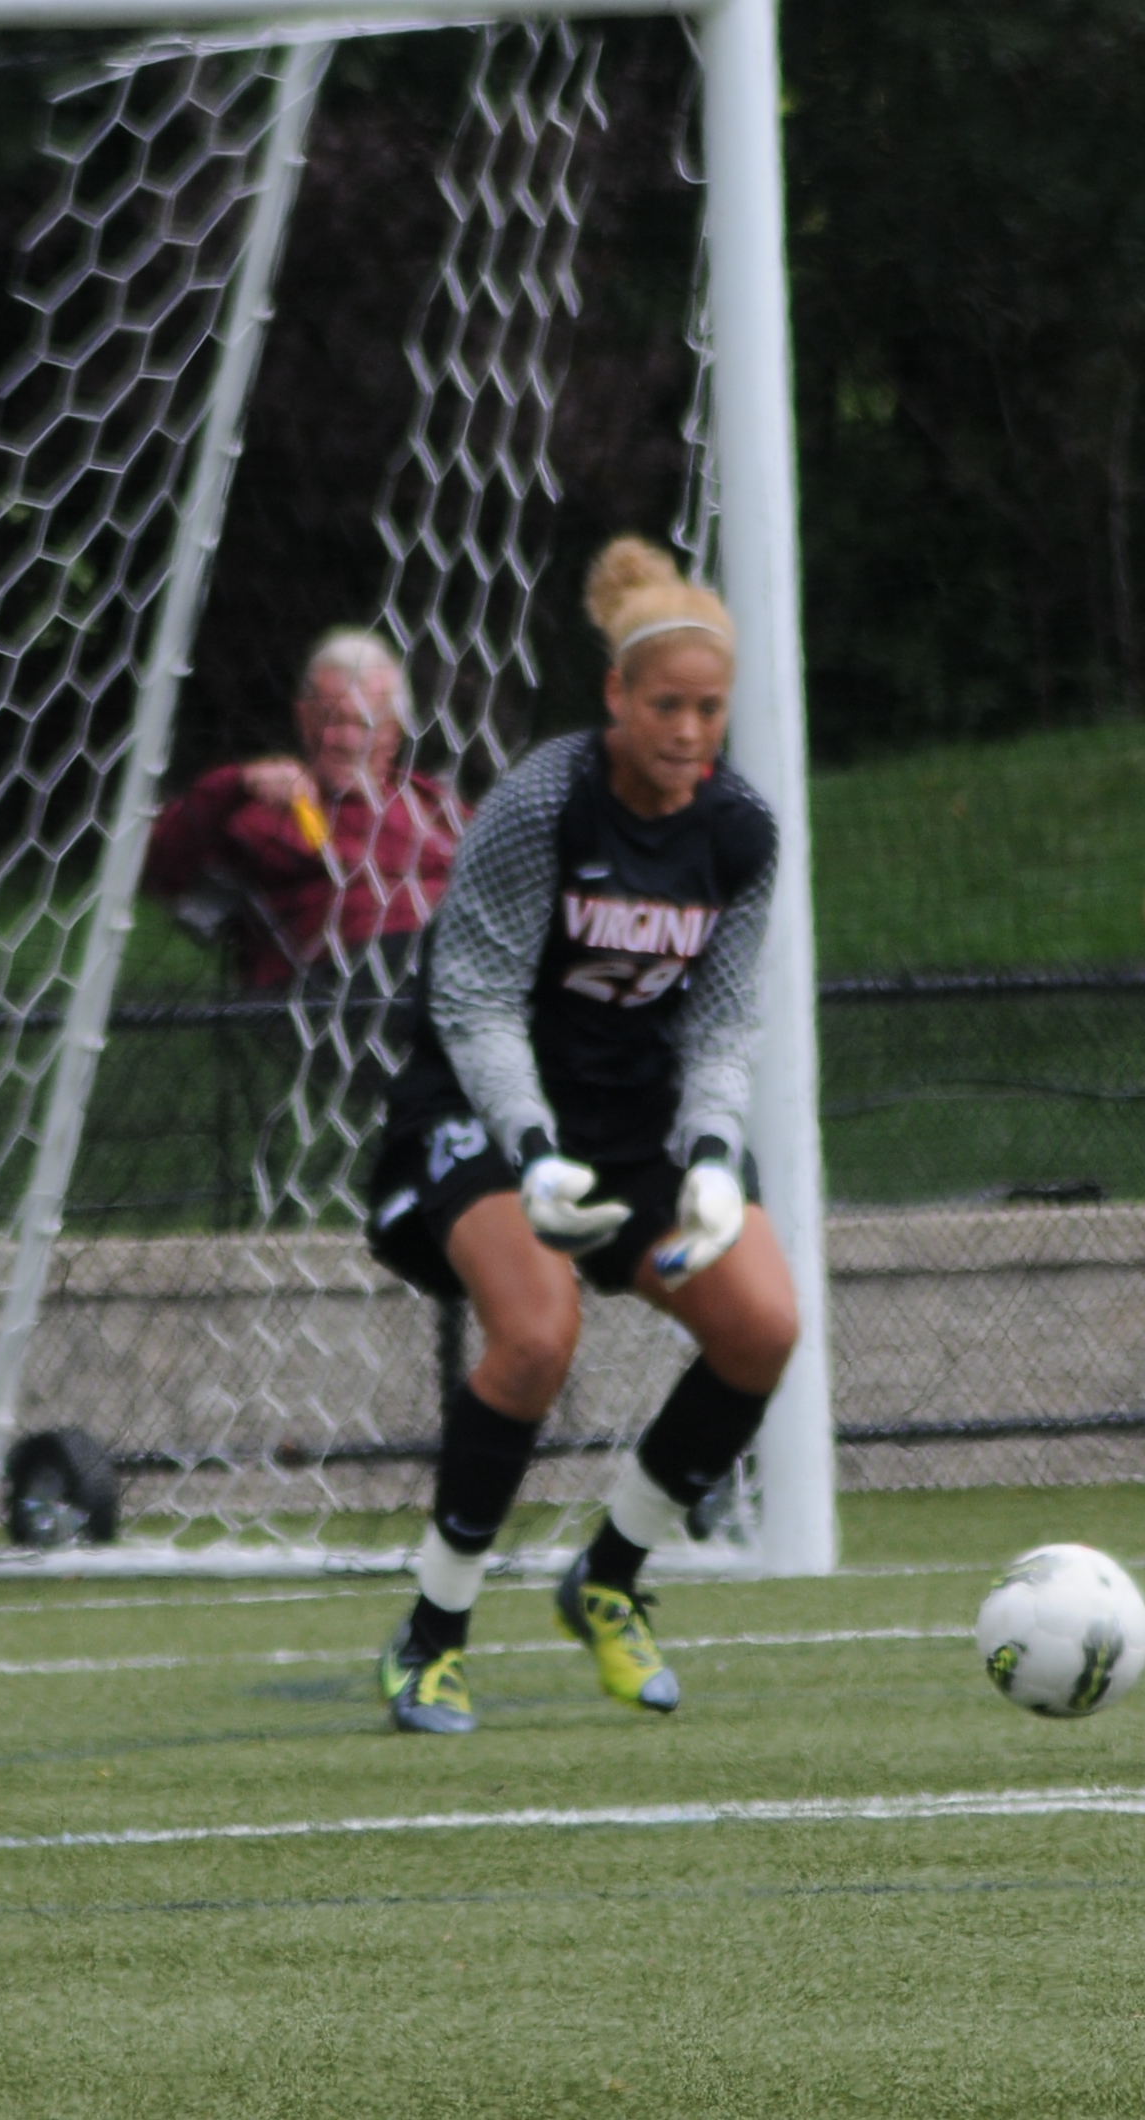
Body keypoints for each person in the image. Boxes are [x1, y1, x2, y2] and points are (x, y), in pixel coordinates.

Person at [364, 539, 795, 1737]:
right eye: (666, 706)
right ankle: (431, 1633)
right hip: (484, 1107)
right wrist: (534, 1148)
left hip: (636, 1126)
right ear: (616, 694)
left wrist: (711, 1157)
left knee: (761, 1327)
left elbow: (722, 1019)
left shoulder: (741, 831)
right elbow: (473, 1000)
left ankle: (607, 1577)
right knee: (536, 1333)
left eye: (709, 709)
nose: (689, 732)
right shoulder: (543, 801)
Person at [141, 629, 465, 993]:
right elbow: (158, 868)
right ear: (304, 718)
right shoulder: (267, 808)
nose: (348, 741)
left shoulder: (429, 803)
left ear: (395, 732)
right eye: (333, 720)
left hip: (451, 957)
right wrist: (236, 782)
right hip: (334, 979)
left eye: (365, 724)